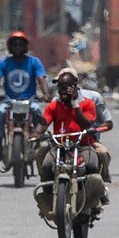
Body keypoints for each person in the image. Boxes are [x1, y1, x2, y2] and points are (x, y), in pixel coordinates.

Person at [32, 69, 104, 217]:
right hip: (60, 146)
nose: (63, 91)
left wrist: (74, 105)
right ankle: (49, 198)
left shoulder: (88, 104)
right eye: (60, 88)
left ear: (75, 86)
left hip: (82, 145)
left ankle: (94, 199)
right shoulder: (54, 105)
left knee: (92, 164)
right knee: (46, 165)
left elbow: (86, 124)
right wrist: (36, 133)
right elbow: (45, 122)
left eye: (67, 87)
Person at [0, 31, 51, 162]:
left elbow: (41, 79)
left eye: (21, 45)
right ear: (10, 47)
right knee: (0, 112)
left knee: (38, 111)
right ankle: (0, 144)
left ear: (25, 46)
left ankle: (37, 138)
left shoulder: (34, 62)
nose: (18, 48)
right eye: (15, 45)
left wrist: (46, 95)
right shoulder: (4, 63)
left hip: (29, 100)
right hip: (9, 101)